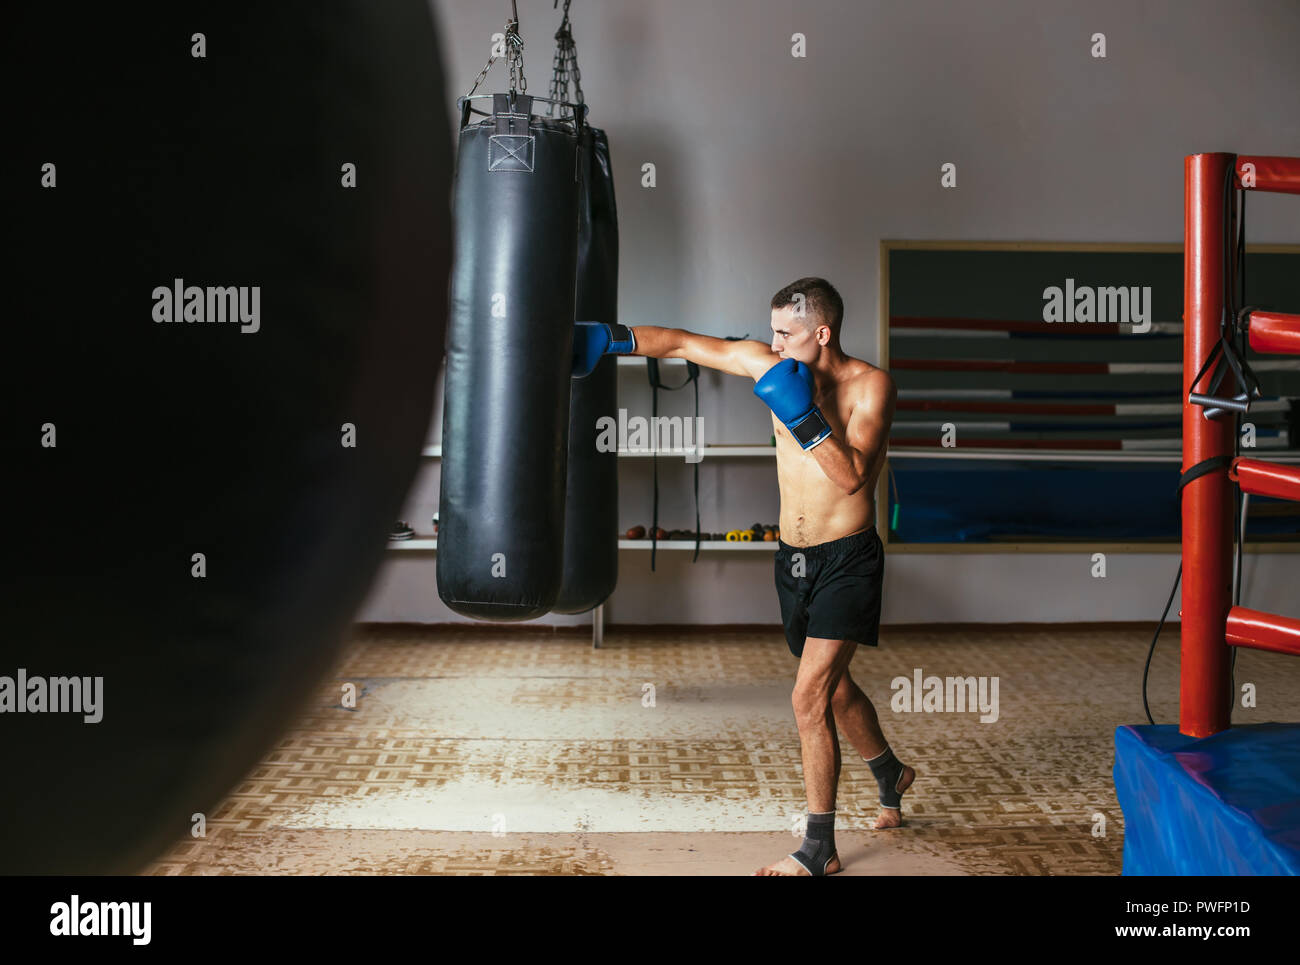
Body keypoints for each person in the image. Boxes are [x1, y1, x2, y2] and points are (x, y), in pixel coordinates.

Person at [574, 276, 915, 876]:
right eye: (773, 331)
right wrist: (610, 339)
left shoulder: (872, 386)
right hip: (794, 559)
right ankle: (889, 770)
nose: (774, 345)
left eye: (787, 334)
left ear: (823, 333)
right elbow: (682, 343)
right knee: (833, 689)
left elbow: (853, 476)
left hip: (848, 559)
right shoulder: (768, 360)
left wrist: (804, 414)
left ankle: (818, 848)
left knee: (807, 696)